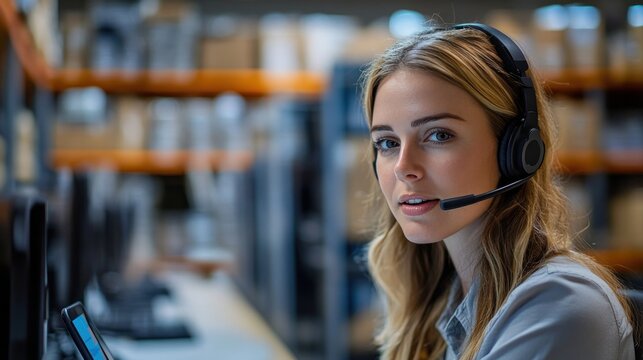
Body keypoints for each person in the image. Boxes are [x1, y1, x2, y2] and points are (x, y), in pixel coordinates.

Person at [362, 23, 635, 360]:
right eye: (387, 143)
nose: (404, 167)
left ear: (517, 150)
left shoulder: (559, 306)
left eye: (438, 135)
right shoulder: (440, 302)